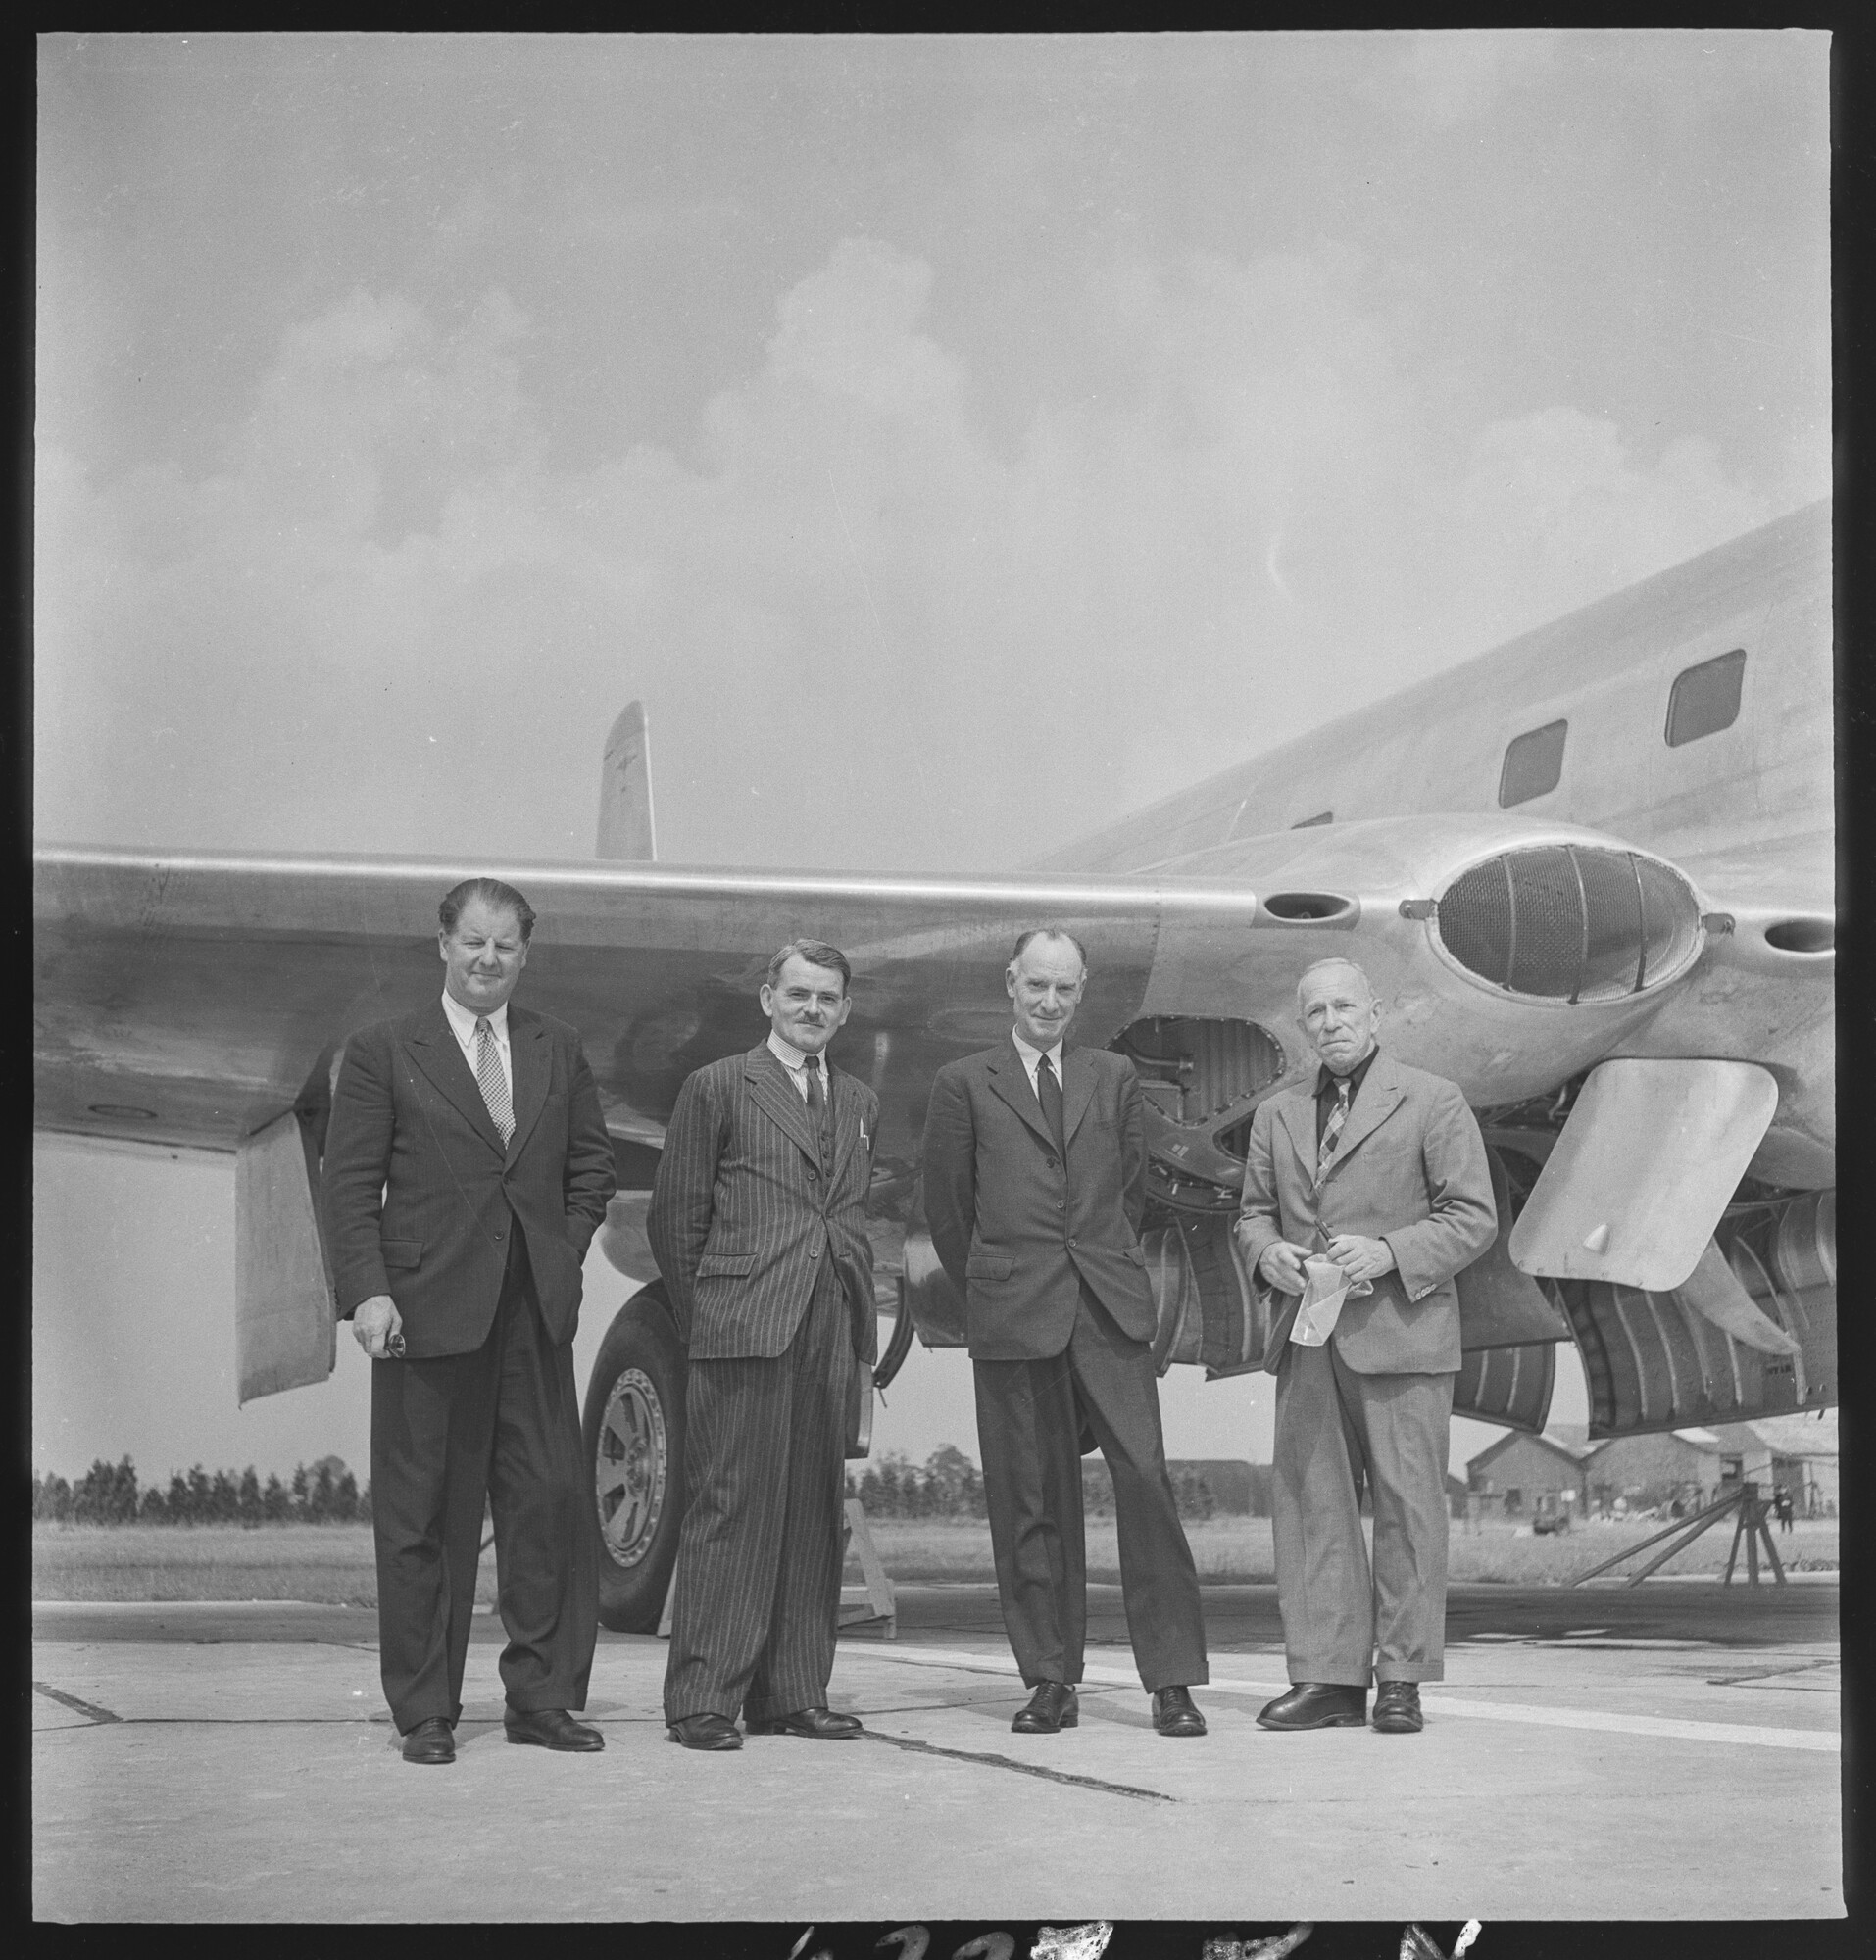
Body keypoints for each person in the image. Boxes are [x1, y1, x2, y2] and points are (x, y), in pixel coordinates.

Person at [322, 878, 617, 1765]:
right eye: (474, 942)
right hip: (424, 1312)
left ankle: (543, 1698)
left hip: (534, 1311)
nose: (489, 960)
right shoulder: (383, 1052)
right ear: (442, 945)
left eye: (507, 947)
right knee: (424, 1518)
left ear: (526, 954)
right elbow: (349, 1188)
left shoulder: (556, 1048)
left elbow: (592, 1167)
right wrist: (368, 1292)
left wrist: (558, 1252)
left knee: (550, 1508)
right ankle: (427, 1712)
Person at [921, 927, 1209, 1739]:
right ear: (1010, 984)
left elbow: (1133, 1189)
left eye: (1065, 990)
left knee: (1146, 1485)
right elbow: (950, 1211)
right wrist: (1004, 1276)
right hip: (1015, 1313)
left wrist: (1098, 1260)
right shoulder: (962, 1083)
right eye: (1036, 986)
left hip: (1107, 1308)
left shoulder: (1111, 1075)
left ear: (1082, 994)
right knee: (1029, 1498)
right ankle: (1050, 1677)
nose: (1049, 1003)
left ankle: (1173, 1681)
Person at [1236, 956, 1495, 1737]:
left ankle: (1400, 1680)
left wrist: (1389, 1252)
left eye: (1345, 1007)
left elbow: (1473, 1217)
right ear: (1302, 1025)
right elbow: (1250, 1215)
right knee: (1312, 1509)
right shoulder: (1275, 1115)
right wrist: (1265, 1254)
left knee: (1409, 1511)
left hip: (1403, 1334)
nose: (1331, 1023)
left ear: (1377, 1014)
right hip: (1307, 1339)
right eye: (1315, 1013)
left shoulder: (1433, 1100)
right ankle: (1326, 1679)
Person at [649, 940, 879, 1751]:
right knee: (730, 1509)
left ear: (845, 1009)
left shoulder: (856, 1098)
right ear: (767, 999)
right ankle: (705, 1698)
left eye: (827, 998)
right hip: (744, 1325)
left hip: (828, 1323)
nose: (812, 1010)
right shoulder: (718, 1086)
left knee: (815, 1515)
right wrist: (710, 1316)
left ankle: (792, 1692)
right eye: (798, 995)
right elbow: (675, 1219)